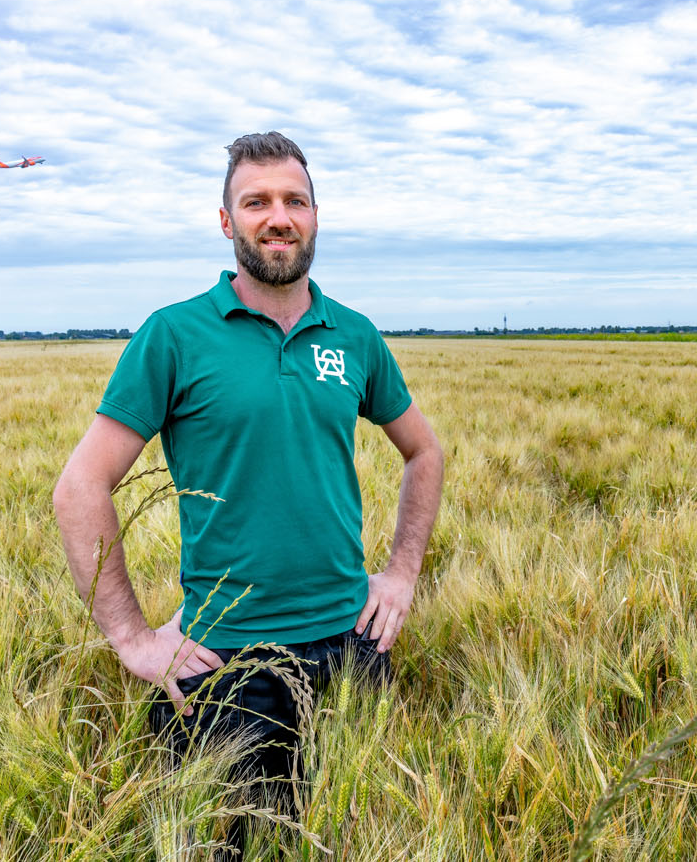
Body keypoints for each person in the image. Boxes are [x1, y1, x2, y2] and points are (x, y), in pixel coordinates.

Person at [52, 131, 444, 857]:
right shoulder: (174, 335)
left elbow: (424, 451)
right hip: (226, 659)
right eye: (256, 201)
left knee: (356, 837)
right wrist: (132, 637)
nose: (278, 216)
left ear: (316, 216)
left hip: (351, 647)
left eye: (295, 200)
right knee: (227, 843)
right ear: (227, 222)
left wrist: (402, 571)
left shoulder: (353, 336)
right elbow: (80, 486)